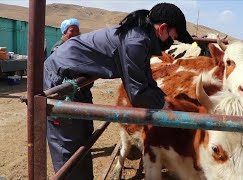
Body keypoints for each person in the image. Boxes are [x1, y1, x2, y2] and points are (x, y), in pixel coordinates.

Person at [44, 2, 193, 179]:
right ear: (162, 28)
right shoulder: (136, 41)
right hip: (61, 80)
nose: (170, 42)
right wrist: (170, 110)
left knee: (82, 138)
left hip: (77, 82)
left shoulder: (141, 36)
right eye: (172, 37)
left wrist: (167, 102)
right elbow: (138, 93)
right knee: (68, 144)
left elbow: (147, 81)